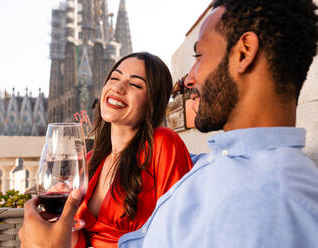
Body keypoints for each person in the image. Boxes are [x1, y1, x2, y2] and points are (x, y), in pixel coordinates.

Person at [118, 0, 318, 247]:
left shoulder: (270, 207)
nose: (189, 79)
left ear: (244, 52)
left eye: (199, 56)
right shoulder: (230, 163)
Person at [18, 52, 193, 248]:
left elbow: (182, 231)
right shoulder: (92, 160)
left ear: (152, 101)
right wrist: (61, 223)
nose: (118, 87)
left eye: (135, 84)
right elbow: (81, 240)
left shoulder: (162, 143)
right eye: (114, 78)